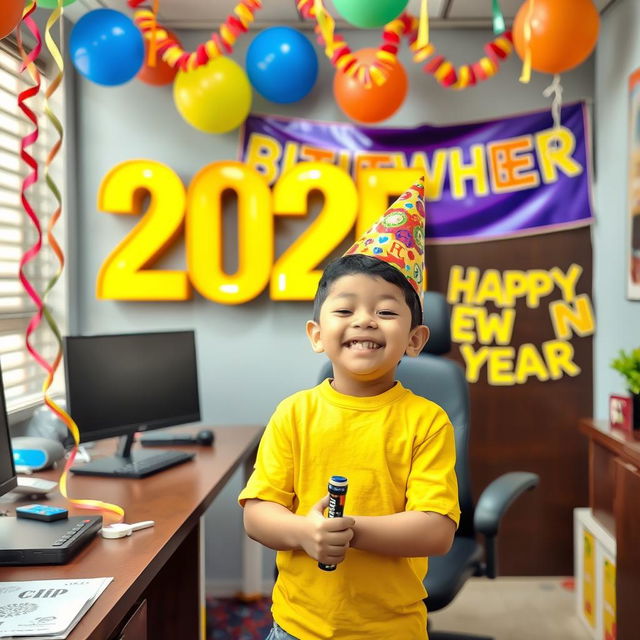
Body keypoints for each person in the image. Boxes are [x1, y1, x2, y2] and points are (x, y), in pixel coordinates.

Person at [239, 177, 460, 640]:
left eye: (386, 311)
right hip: (298, 626)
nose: (364, 319)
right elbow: (258, 513)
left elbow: (436, 530)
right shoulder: (293, 414)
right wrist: (304, 533)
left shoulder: (427, 421)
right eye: (345, 310)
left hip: (391, 629)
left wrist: (348, 531)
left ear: (416, 340)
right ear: (317, 334)